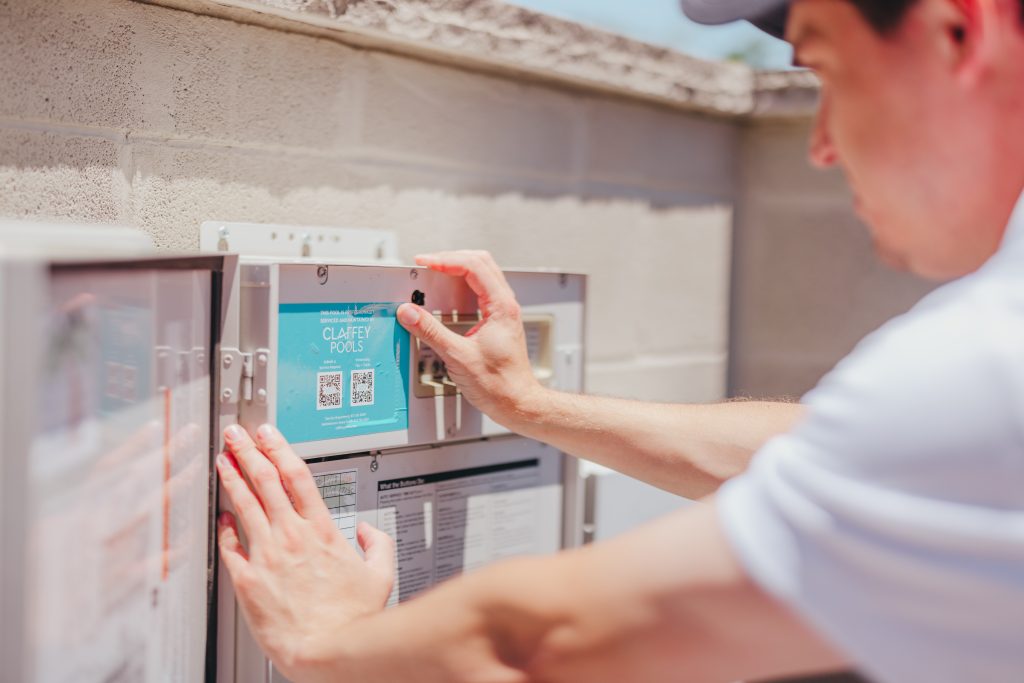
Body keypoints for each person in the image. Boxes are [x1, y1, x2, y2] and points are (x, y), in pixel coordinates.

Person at [214, 1, 1024, 681]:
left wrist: (330, 643)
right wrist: (531, 404)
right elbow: (828, 450)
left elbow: (546, 642)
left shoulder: (986, 361)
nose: (822, 144)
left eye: (828, 72)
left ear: (961, 30)